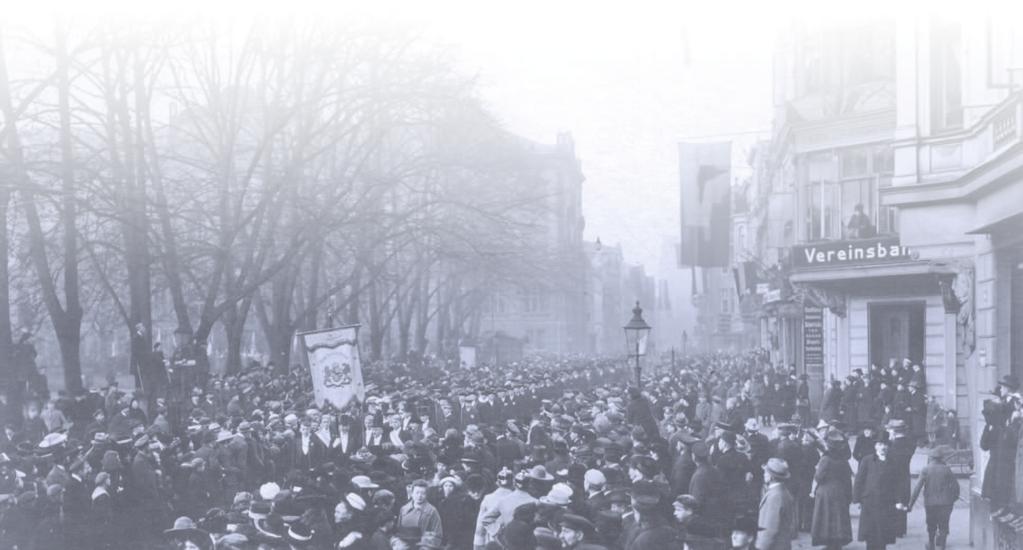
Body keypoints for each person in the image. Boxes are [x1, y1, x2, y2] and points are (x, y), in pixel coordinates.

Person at [853, 439, 906, 550]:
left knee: (883, 534)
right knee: (870, 533)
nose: (883, 447)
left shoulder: (893, 462)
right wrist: (857, 499)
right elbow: (859, 480)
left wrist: (899, 500)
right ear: (875, 446)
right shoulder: (867, 460)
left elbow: (897, 483)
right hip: (869, 503)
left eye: (885, 445)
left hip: (887, 503)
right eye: (880, 444)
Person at [908, 445, 960, 550]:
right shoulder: (947, 469)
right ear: (941, 458)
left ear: (930, 458)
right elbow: (956, 487)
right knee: (944, 524)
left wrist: (910, 504)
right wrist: (953, 499)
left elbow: (917, 488)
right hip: (946, 503)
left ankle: (931, 545)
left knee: (931, 524)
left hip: (930, 503)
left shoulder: (926, 470)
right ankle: (943, 546)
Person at [810, 433, 852, 550]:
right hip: (840, 490)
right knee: (837, 518)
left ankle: (829, 543)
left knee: (826, 517)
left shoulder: (825, 459)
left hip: (826, 491)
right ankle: (837, 543)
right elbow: (847, 476)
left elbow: (819, 477)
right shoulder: (843, 460)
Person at [755, 458, 795, 550]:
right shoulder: (784, 492)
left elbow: (769, 529)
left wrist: (760, 547)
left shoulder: (774, 497)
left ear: (771, 476)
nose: (764, 474)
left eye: (765, 472)